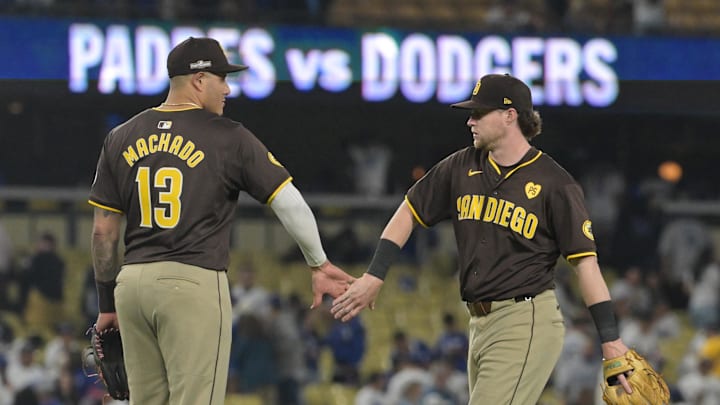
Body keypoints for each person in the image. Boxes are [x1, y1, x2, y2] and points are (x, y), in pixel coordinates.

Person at [330, 73, 633, 404]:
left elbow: (586, 266)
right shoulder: (461, 166)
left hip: (525, 318)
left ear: (509, 116)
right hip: (478, 324)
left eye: (479, 113)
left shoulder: (554, 183)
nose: (470, 121)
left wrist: (611, 340)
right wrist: (375, 274)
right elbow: (408, 212)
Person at [88, 36, 355, 405]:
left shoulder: (120, 137)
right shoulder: (227, 136)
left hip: (131, 285)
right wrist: (318, 262)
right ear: (198, 80)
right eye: (221, 78)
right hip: (191, 281)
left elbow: (103, 232)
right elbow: (288, 201)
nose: (227, 88)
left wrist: (106, 303)